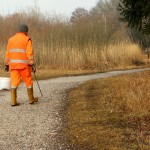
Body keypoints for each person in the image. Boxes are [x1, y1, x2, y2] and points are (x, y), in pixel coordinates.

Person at [5, 24, 38, 106]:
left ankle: (13, 101)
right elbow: (29, 53)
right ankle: (31, 99)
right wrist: (31, 63)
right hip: (24, 66)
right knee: (28, 82)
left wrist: (7, 64)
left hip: (13, 66)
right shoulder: (27, 39)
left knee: (14, 83)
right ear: (26, 31)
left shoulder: (10, 40)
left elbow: (8, 53)